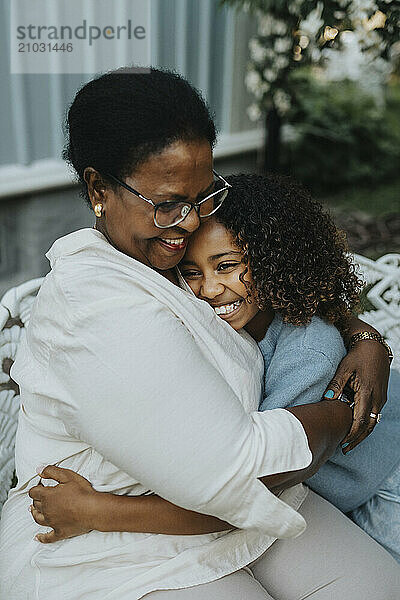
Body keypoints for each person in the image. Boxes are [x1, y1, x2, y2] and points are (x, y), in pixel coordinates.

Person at [0, 68, 396, 600]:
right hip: (105, 528)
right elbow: (235, 475)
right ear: (98, 189)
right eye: (168, 203)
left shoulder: (165, 256)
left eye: (203, 195)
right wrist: (338, 410)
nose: (189, 223)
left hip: (251, 501)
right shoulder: (94, 310)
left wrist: (362, 336)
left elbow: (283, 290)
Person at [27, 173, 400, 568]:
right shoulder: (229, 324)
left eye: (226, 266)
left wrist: (96, 511)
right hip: (329, 486)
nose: (209, 289)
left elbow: (248, 478)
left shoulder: (308, 354)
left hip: (381, 485)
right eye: (191, 272)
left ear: (275, 260)